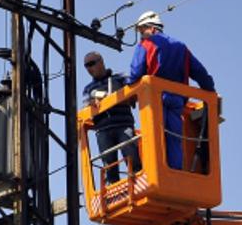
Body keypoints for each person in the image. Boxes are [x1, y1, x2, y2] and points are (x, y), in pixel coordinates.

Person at [127, 10, 215, 171]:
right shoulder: (181, 47)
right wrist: (210, 90)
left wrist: (128, 89)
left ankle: (158, 171)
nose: (141, 36)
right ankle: (175, 171)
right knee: (174, 138)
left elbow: (136, 72)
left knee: (154, 136)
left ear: (152, 29)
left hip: (155, 99)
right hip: (176, 101)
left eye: (142, 31)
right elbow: (200, 72)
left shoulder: (146, 44)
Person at [82, 51, 140, 183]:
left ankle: (137, 182)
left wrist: (115, 96)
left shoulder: (120, 77)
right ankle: (113, 192)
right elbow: (85, 108)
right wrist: (92, 103)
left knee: (131, 155)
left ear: (101, 62)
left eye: (91, 64)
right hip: (103, 129)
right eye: (86, 66)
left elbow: (134, 95)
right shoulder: (88, 89)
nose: (89, 68)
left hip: (123, 125)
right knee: (109, 165)